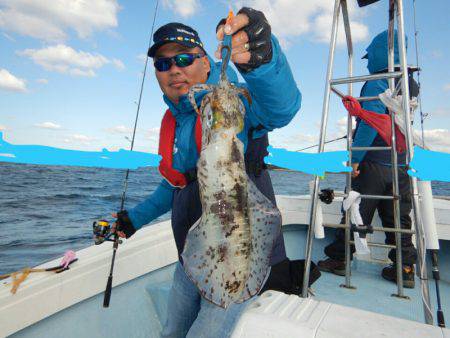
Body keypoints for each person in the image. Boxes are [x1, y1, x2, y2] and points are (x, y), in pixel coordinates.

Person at [112, 7, 302, 337]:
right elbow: (176, 183)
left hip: (239, 252)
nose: (173, 70)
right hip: (192, 252)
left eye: (184, 59)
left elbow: (281, 106)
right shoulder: (177, 121)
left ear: (204, 60)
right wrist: (132, 220)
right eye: (162, 64)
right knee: (172, 330)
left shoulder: (238, 101)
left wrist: (263, 58)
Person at [318, 29, 418, 288]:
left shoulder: (378, 81)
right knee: (398, 219)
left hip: (372, 165)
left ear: (378, 52)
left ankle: (340, 260)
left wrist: (355, 158)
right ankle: (404, 268)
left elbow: (368, 125)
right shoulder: (409, 83)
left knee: (355, 210)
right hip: (401, 166)